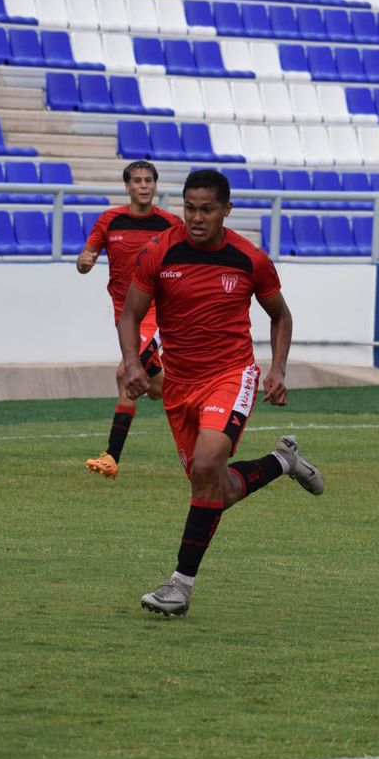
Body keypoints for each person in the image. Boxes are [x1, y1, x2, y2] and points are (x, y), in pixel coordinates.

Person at [119, 169, 324, 617]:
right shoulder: (160, 251)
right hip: (179, 386)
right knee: (215, 488)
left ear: (226, 210)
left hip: (230, 376)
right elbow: (131, 315)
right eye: (190, 208)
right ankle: (282, 461)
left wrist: (278, 370)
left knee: (209, 464)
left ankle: (179, 586)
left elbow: (281, 316)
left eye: (207, 209)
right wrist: (134, 363)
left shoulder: (249, 259)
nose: (196, 218)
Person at [78, 160, 181, 479]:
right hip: (125, 316)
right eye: (136, 180)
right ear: (127, 186)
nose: (143, 185)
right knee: (149, 385)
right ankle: (199, 405)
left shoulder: (170, 224)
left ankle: (112, 456)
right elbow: (86, 257)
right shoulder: (110, 220)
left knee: (127, 372)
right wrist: (85, 261)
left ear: (155, 185)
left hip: (157, 311)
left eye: (148, 180)